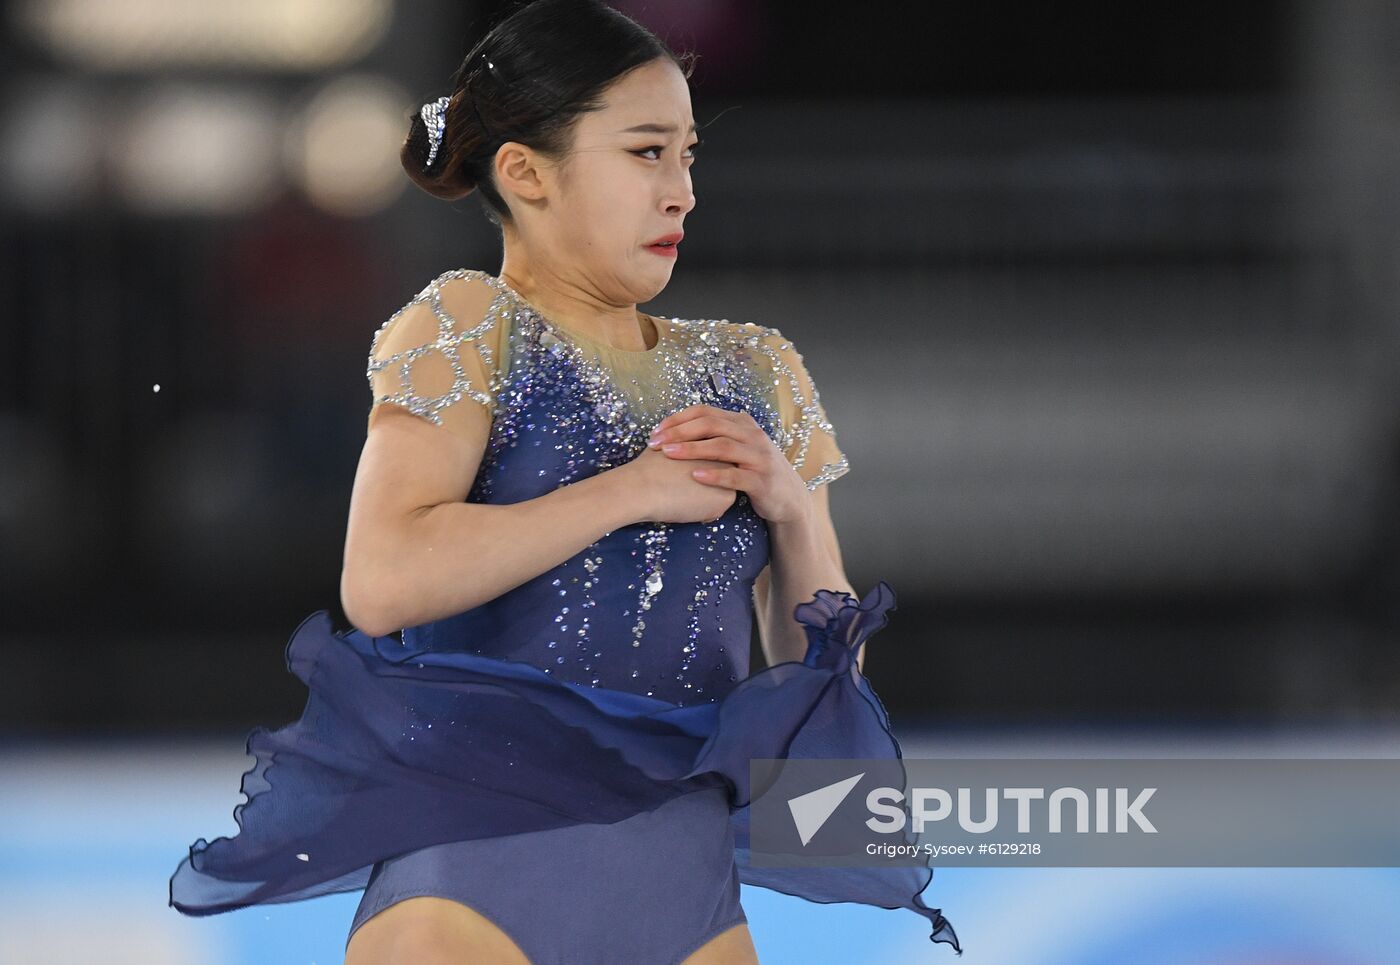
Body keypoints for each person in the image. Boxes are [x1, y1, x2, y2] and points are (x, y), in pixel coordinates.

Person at [167, 1, 962, 962]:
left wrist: (792, 512)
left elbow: (817, 691)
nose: (683, 193)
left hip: (686, 888)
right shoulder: (469, 324)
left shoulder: (757, 370)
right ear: (525, 172)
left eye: (689, 156)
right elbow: (380, 582)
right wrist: (628, 491)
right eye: (645, 153)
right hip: (473, 886)